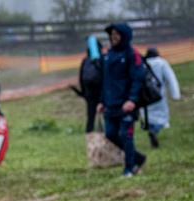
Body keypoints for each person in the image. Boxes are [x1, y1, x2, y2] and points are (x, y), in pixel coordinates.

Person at [98, 23, 147, 177]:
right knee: (111, 134)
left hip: (126, 105)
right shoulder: (108, 55)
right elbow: (105, 80)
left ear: (125, 36)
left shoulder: (132, 54)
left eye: (117, 34)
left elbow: (137, 79)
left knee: (126, 136)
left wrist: (132, 99)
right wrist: (101, 101)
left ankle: (130, 168)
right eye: (112, 34)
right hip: (110, 105)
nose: (113, 37)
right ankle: (137, 158)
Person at [143, 48, 180, 148]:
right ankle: (154, 131)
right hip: (159, 94)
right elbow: (171, 78)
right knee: (161, 117)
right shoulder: (162, 63)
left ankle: (151, 129)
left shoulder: (143, 64)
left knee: (148, 117)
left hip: (145, 95)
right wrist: (175, 94)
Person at [73, 36, 104, 133]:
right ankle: (106, 134)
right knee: (105, 115)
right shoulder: (103, 59)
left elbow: (81, 78)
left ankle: (89, 133)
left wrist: (83, 92)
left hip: (89, 92)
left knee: (91, 115)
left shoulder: (85, 60)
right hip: (101, 92)